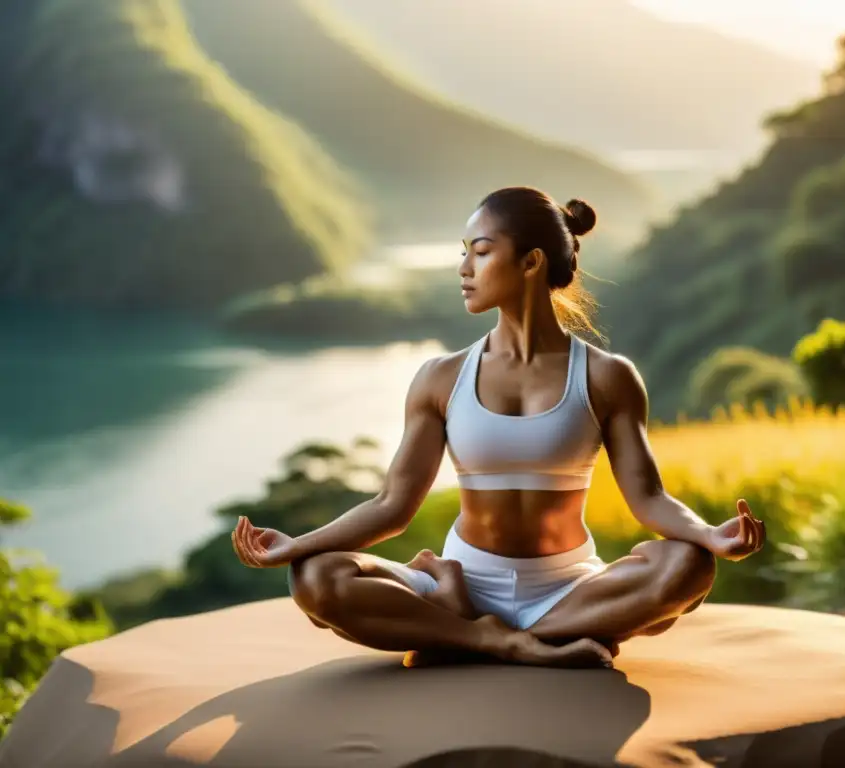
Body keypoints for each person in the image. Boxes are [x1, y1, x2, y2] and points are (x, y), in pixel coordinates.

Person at [231, 187, 766, 669]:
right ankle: (501, 640)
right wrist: (297, 545)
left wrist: (707, 535)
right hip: (467, 577)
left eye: (480, 252)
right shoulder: (441, 378)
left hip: (566, 586)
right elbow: (391, 505)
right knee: (315, 579)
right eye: (462, 252)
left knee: (688, 568)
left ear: (531, 261)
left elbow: (649, 498)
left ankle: (478, 633)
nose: (464, 267)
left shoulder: (608, 377)